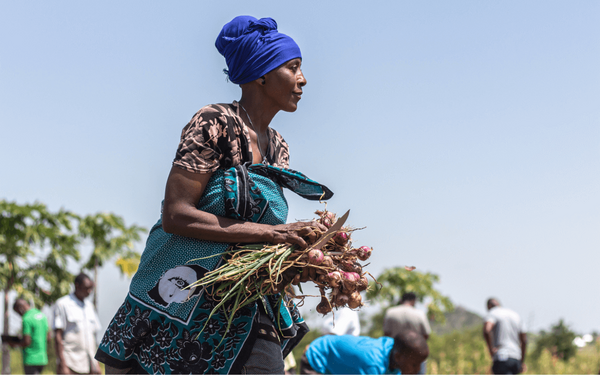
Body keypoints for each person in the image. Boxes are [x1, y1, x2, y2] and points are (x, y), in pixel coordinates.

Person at [95, 15, 333, 374]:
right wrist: (274, 233)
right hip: (186, 293)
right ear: (262, 73)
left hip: (246, 297)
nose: (302, 80)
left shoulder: (279, 147)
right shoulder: (213, 123)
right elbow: (177, 214)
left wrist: (295, 258)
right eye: (294, 67)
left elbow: (259, 232)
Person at [299, 330, 429, 375]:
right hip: (317, 358)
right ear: (398, 357)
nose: (418, 369)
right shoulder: (373, 364)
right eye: (414, 364)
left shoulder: (393, 350)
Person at [53, 273, 102, 374]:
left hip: (89, 364)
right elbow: (58, 336)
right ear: (77, 285)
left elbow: (92, 337)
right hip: (71, 363)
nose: (89, 291)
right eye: (86, 288)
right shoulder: (63, 304)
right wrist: (62, 364)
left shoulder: (89, 306)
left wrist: (96, 363)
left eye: (91, 288)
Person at [383, 292, 431, 373]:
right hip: (416, 355)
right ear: (414, 301)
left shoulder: (391, 312)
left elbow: (386, 335)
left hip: (396, 356)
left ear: (401, 300)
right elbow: (426, 335)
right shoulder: (420, 314)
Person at [483, 298, 527, 374]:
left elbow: (487, 330)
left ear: (489, 306)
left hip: (502, 356)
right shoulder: (515, 315)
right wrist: (522, 361)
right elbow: (524, 340)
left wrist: (491, 350)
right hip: (516, 357)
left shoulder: (493, 313)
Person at [11, 299, 50, 375]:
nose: (19, 315)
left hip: (31, 358)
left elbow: (27, 342)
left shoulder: (26, 318)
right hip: (42, 358)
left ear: (20, 308)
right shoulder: (42, 315)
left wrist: (15, 344)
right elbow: (48, 338)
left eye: (18, 312)